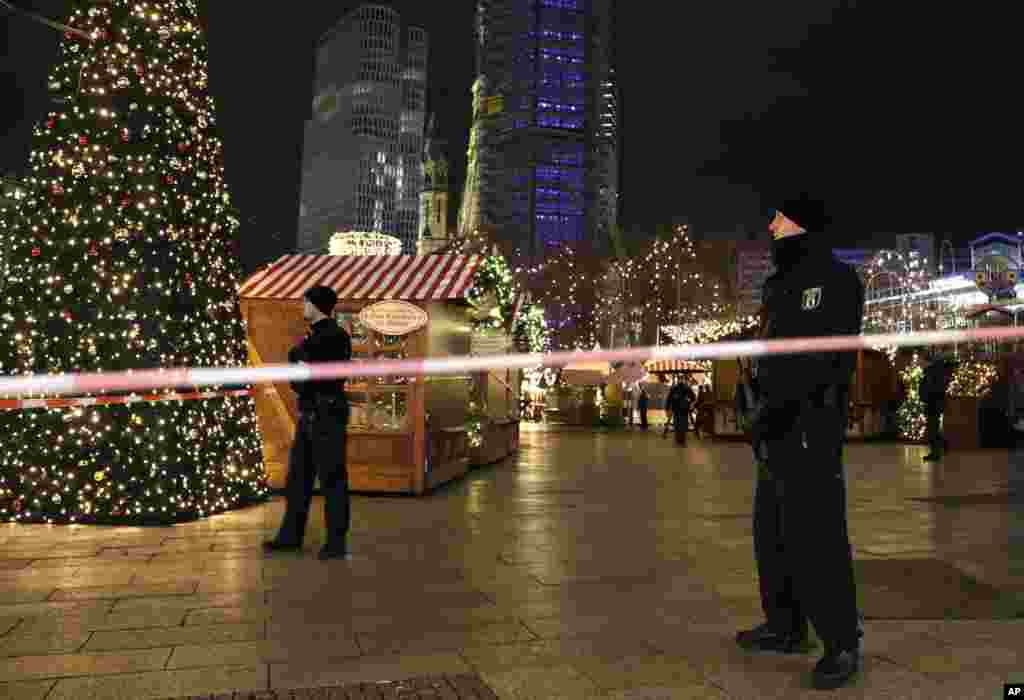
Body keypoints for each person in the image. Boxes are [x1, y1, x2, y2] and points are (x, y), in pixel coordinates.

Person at [736, 195, 865, 690]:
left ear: (803, 224)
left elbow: (821, 362)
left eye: (780, 217)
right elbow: (772, 353)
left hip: (810, 427)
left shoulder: (834, 281)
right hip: (773, 430)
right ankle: (786, 625)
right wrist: (753, 395)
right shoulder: (778, 284)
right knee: (771, 532)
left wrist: (779, 405)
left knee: (818, 535)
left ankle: (841, 642)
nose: (770, 224)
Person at [264, 285, 353, 561]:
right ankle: (291, 536)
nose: (302, 306)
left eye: (305, 301)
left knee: (331, 480)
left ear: (315, 305)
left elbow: (304, 370)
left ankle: (335, 543)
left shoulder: (332, 337)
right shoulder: (319, 337)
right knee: (298, 479)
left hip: (325, 415)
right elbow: (298, 375)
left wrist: (299, 358)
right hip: (313, 414)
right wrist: (299, 361)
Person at [921, 350, 954, 461]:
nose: (921, 363)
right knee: (933, 427)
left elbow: (931, 388)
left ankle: (936, 452)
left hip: (933, 402)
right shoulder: (936, 372)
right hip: (934, 402)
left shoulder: (933, 372)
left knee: (932, 428)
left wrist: (925, 394)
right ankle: (943, 446)